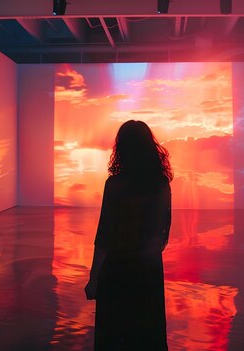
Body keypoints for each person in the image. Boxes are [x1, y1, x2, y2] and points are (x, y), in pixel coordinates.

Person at [85, 120, 172, 350]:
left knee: (114, 338)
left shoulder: (114, 185)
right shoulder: (161, 184)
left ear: (121, 148)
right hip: (148, 274)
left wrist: (94, 278)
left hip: (116, 271)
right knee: (146, 338)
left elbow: (104, 235)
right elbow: (162, 235)